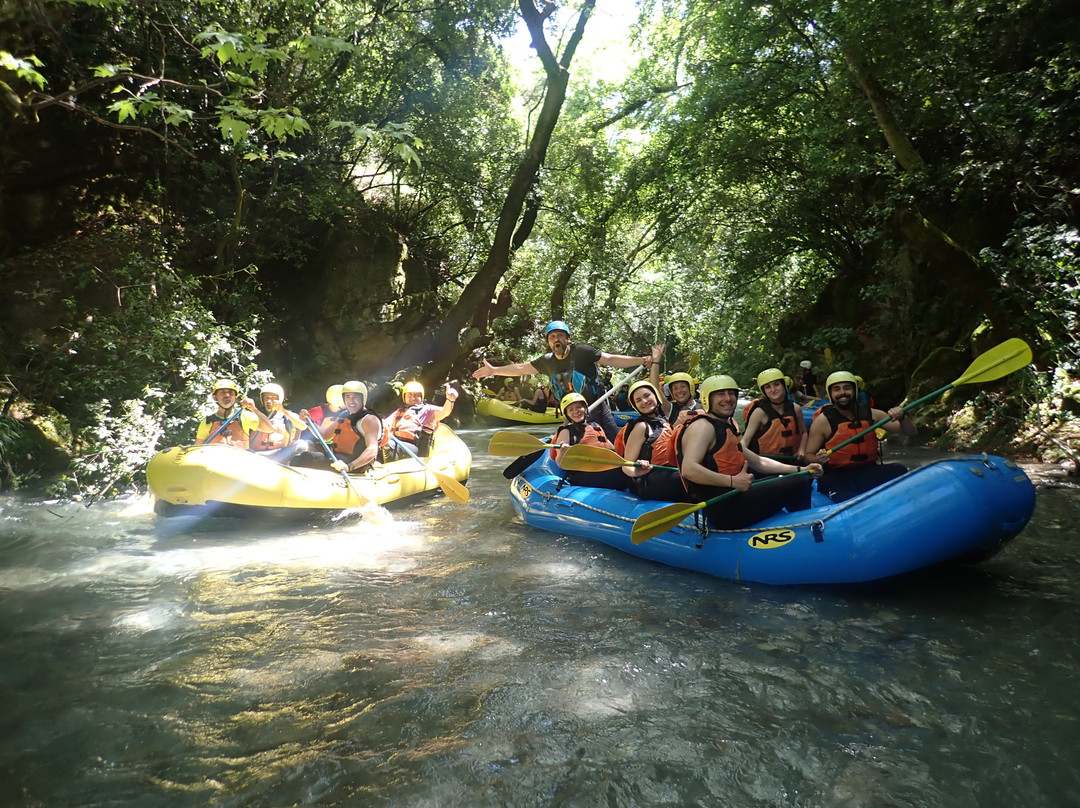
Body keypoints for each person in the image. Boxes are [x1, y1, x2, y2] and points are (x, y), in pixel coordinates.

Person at [675, 375, 822, 529]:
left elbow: (759, 462)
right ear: (707, 399)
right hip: (722, 510)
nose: (728, 398)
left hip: (734, 497)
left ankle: (800, 523)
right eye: (720, 394)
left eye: (731, 393)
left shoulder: (724, 426)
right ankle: (808, 529)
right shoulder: (703, 427)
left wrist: (801, 470)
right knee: (798, 482)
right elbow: (689, 469)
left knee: (797, 477)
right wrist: (732, 481)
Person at [472, 320, 659, 440]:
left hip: (597, 405)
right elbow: (521, 368)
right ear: (549, 342)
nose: (556, 339)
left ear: (568, 339)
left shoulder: (582, 352)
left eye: (560, 335)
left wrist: (641, 360)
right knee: (574, 440)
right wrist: (494, 370)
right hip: (571, 412)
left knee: (612, 436)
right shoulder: (546, 362)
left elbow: (610, 359)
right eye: (552, 337)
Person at [803, 371, 917, 503]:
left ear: (854, 390)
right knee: (840, 493)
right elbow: (808, 456)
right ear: (830, 394)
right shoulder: (822, 422)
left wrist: (902, 417)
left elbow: (910, 432)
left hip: (868, 470)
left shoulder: (872, 414)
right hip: (837, 476)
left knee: (899, 469)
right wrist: (817, 459)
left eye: (847, 388)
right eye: (836, 389)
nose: (842, 393)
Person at [615, 380, 687, 501]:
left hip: (668, 471)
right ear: (635, 406)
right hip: (649, 479)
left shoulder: (664, 422)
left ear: (656, 396)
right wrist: (639, 471)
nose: (644, 401)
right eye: (638, 400)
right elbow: (626, 466)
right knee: (684, 478)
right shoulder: (641, 426)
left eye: (647, 395)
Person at [551, 393, 628, 490]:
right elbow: (560, 463)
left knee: (626, 471)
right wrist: (562, 452)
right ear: (567, 414)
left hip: (603, 468)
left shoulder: (596, 426)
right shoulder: (566, 431)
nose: (576, 411)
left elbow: (612, 450)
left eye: (579, 407)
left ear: (585, 408)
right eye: (571, 409)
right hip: (583, 474)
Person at [740, 368, 807, 462]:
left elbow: (804, 432)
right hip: (766, 464)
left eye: (777, 384)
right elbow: (745, 441)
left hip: (792, 460)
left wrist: (801, 449)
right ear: (764, 391)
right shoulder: (759, 413)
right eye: (767, 387)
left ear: (783, 385)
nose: (773, 390)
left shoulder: (796, 408)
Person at [384, 380, 458, 459]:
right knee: (381, 443)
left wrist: (450, 400)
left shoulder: (428, 410)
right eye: (410, 394)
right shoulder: (398, 412)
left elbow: (445, 412)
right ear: (404, 397)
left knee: (388, 445)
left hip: (417, 450)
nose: (412, 397)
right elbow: (384, 425)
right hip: (397, 445)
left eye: (416, 395)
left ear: (421, 397)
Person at [194, 378, 274, 450]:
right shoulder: (207, 422)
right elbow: (196, 450)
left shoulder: (244, 416)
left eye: (230, 393)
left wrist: (254, 409)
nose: (227, 395)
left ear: (235, 396)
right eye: (222, 392)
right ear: (215, 397)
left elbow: (269, 428)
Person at [249, 382, 308, 457]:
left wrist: (282, 410)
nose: (269, 401)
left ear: (280, 399)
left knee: (301, 444)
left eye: (273, 398)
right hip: (256, 454)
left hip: (280, 454)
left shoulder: (287, 416)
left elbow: (303, 426)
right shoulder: (255, 415)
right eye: (266, 398)